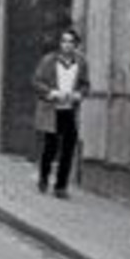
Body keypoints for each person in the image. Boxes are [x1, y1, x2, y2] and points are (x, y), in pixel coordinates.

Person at [32, 28, 91, 198]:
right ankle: (43, 178)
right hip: (52, 110)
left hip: (69, 110)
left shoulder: (81, 62)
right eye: (64, 41)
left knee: (68, 148)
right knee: (50, 147)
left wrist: (79, 94)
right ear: (60, 44)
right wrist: (51, 92)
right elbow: (36, 81)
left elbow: (85, 84)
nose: (66, 45)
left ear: (76, 45)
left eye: (70, 42)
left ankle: (61, 186)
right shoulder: (49, 61)